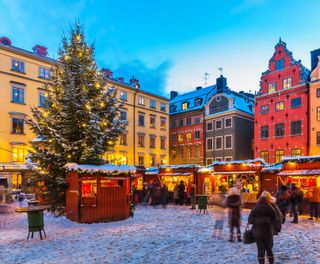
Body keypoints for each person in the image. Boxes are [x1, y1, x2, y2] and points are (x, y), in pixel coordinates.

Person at [248, 191, 276, 264]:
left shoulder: (255, 208)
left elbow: (250, 221)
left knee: (260, 249)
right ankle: (271, 262)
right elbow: (274, 219)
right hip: (268, 231)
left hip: (257, 232)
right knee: (269, 249)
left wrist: (256, 221)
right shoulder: (270, 208)